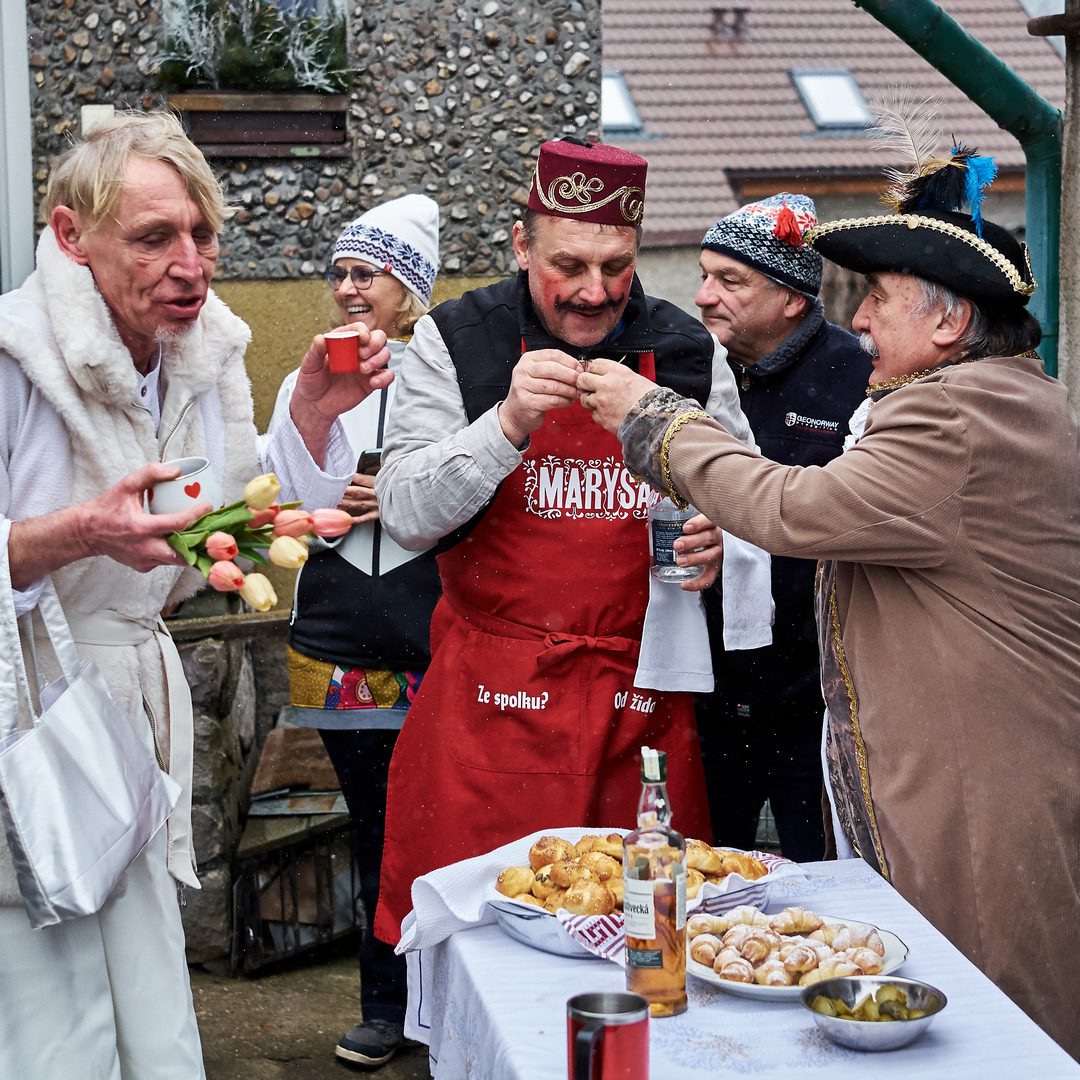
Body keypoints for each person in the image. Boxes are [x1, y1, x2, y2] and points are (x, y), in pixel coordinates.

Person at [577, 148, 1080, 1054]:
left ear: (951, 321)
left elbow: (791, 510)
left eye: (878, 298)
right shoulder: (1000, 397)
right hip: (978, 764)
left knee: (986, 1019)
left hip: (980, 784)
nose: (859, 319)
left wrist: (654, 418)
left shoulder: (952, 415)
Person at [0, 111, 391, 1080]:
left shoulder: (203, 351)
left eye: (202, 234)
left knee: (153, 1005)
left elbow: (232, 515)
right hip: (26, 717)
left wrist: (309, 417)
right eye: (153, 238)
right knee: (55, 1021)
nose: (190, 265)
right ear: (69, 236)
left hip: (131, 708)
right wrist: (78, 532)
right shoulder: (13, 356)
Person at [372, 136, 771, 947]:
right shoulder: (459, 339)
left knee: (645, 943)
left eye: (616, 266)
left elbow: (751, 495)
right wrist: (506, 423)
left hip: (641, 700)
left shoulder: (688, 353)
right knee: (481, 942)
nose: (595, 292)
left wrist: (721, 535)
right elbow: (405, 513)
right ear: (522, 246)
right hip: (492, 701)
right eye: (569, 265)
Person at [268, 194, 441, 1070]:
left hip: (430, 640)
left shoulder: (444, 377)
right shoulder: (308, 377)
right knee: (374, 826)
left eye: (365, 273)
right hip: (339, 641)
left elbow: (480, 485)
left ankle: (444, 1005)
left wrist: (403, 498)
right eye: (338, 272)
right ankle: (385, 1006)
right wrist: (322, 487)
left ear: (409, 289)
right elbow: (276, 499)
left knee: (438, 825)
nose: (346, 288)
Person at [693, 194, 872, 861]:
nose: (704, 296)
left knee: (816, 883)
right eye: (704, 275)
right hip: (706, 695)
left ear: (793, 297)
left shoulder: (858, 378)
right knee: (704, 878)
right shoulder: (688, 365)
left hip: (812, 703)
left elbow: (857, 522)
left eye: (730, 280)